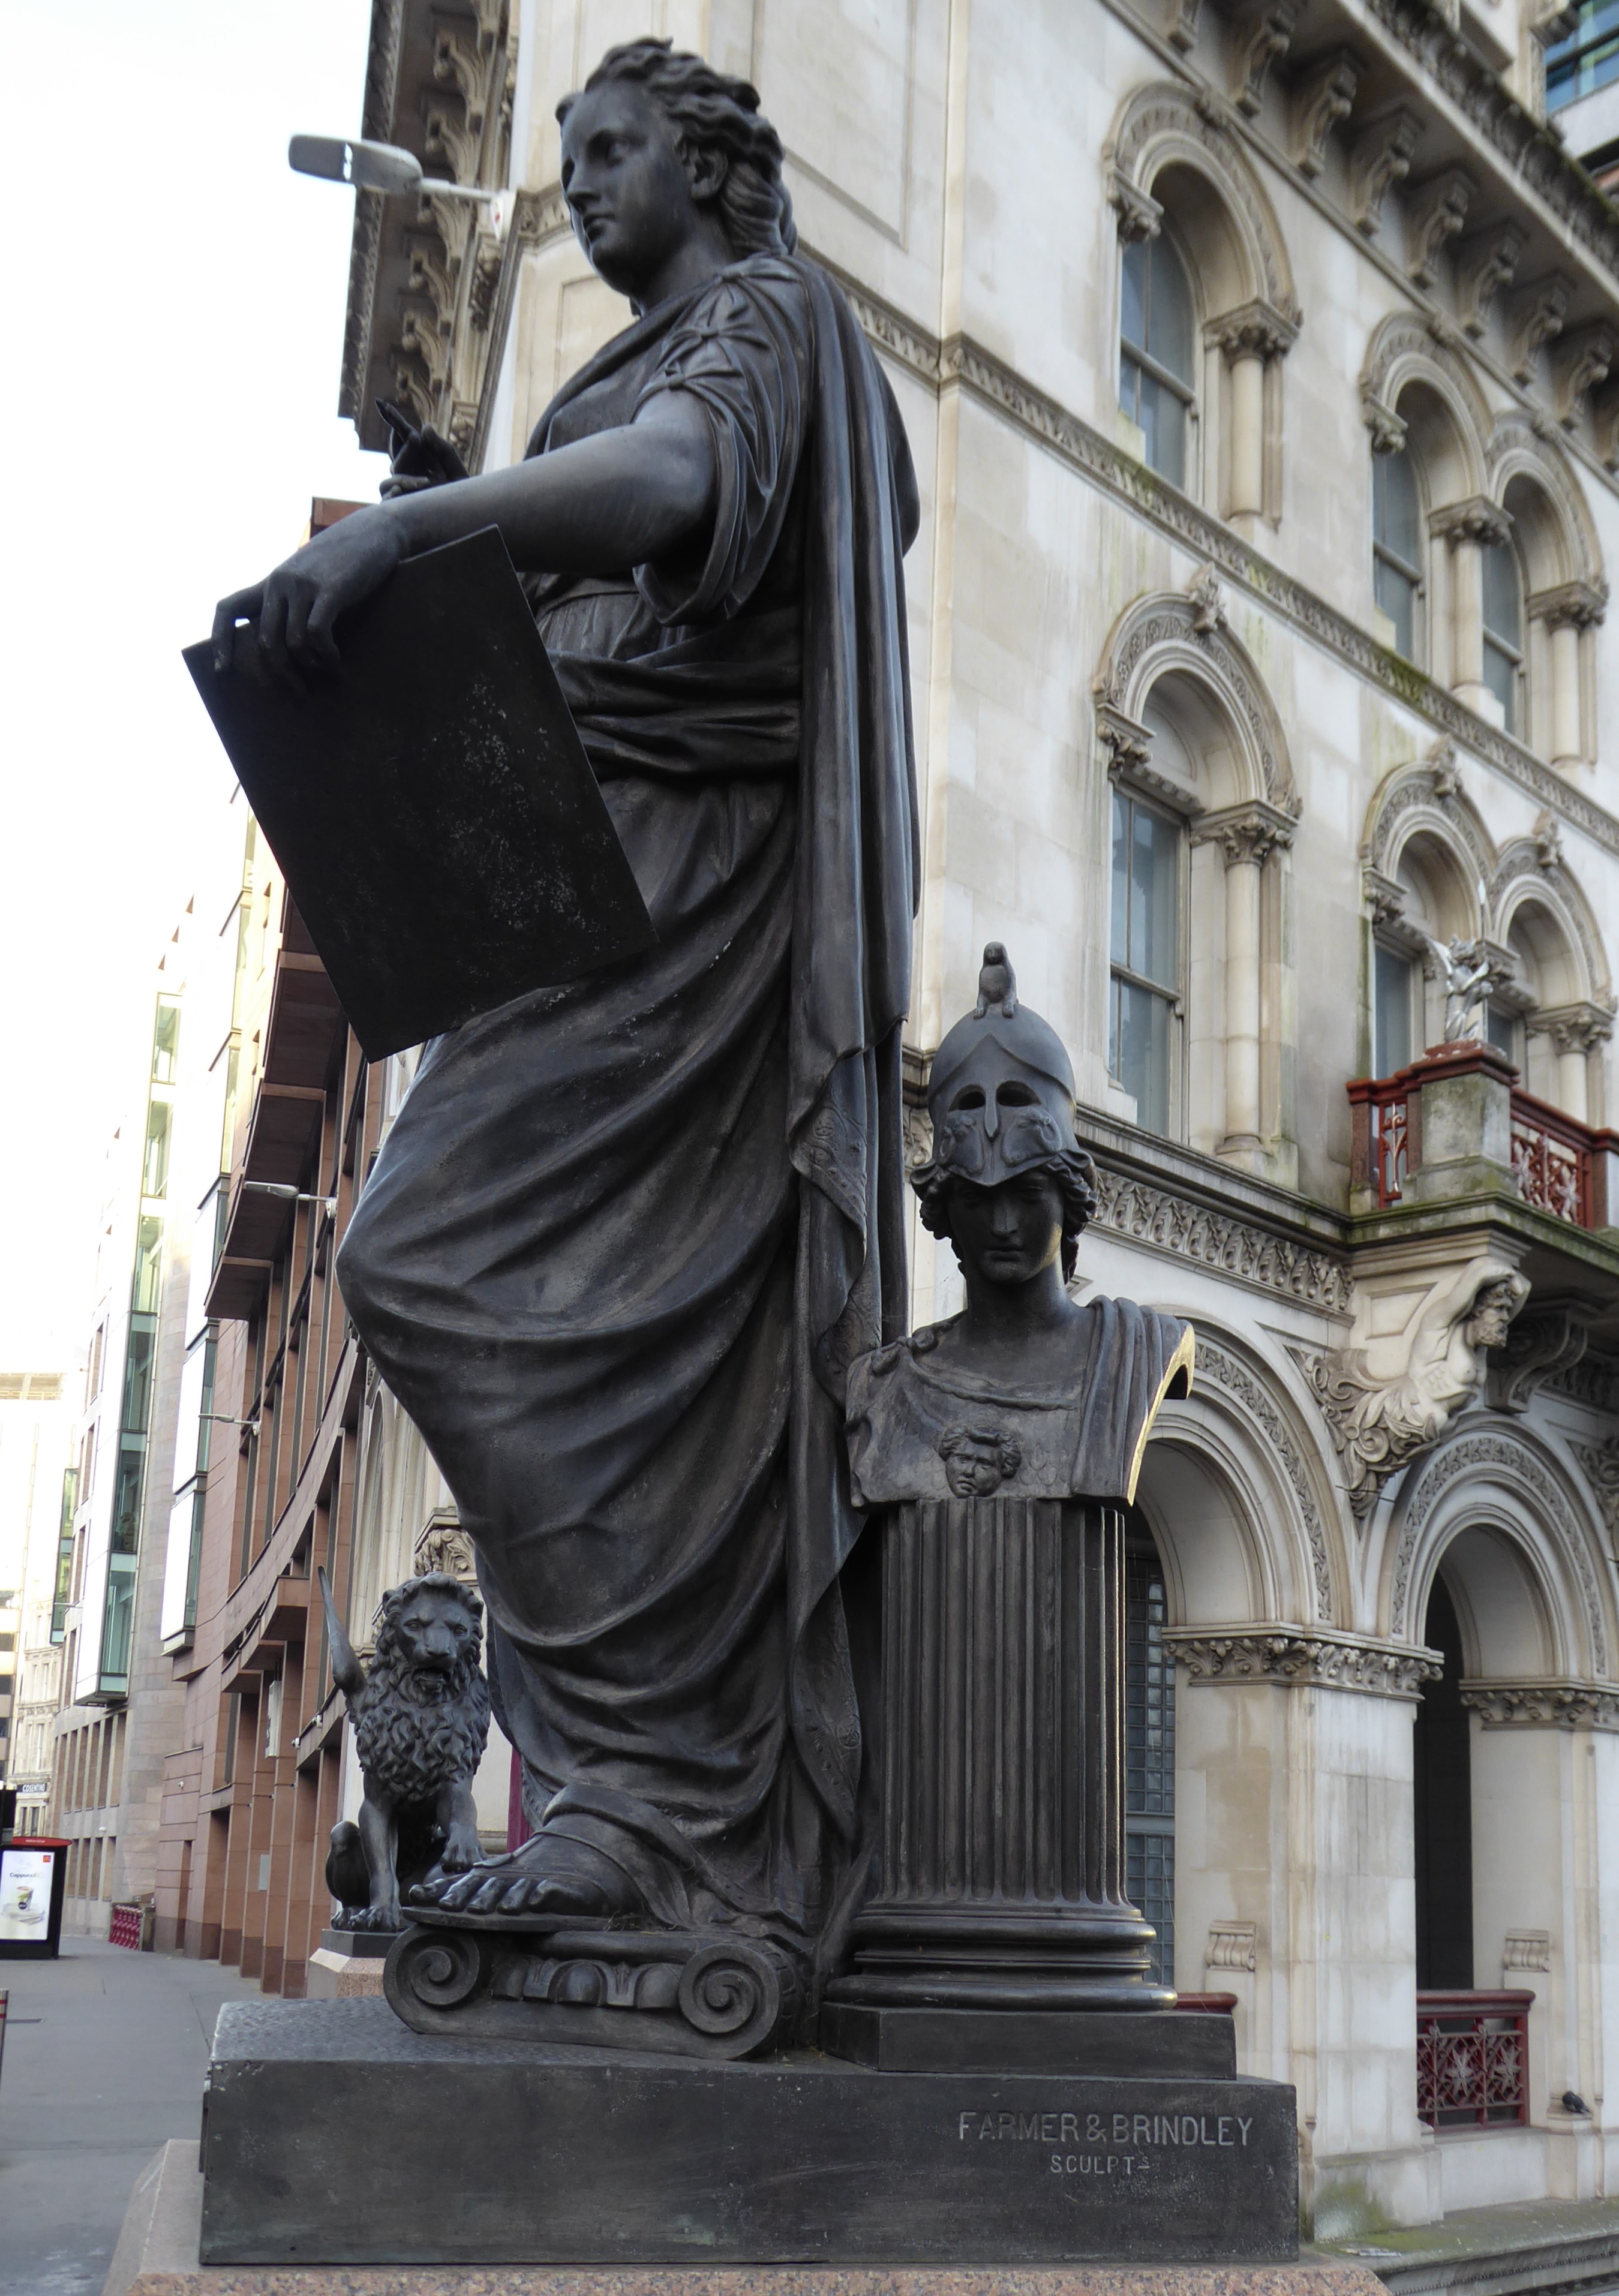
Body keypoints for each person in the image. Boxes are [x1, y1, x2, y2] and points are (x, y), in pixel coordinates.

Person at [212, 40, 919, 1964]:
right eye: (570, 155)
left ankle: (650, 1794)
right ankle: (633, 1784)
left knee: (422, 1255)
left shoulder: (766, 317)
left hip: (681, 903)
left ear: (707, 163)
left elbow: (679, 485)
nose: (584, 182)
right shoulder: (635, 360)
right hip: (580, 890)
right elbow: (592, 576)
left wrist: (410, 534)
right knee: (485, 1291)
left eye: (612, 149)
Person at [846, 946, 1194, 1512]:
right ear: (945, 1209)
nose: (1002, 1224)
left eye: (1027, 1195)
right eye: (976, 1200)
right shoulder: (885, 1386)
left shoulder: (1135, 1353)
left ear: (1067, 1197)